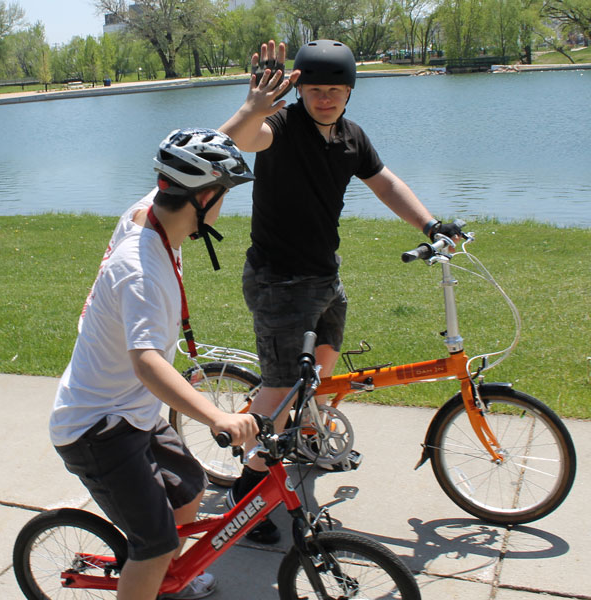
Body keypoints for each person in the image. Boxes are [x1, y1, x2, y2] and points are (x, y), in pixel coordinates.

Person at [219, 40, 462, 544]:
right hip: (279, 281)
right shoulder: (281, 128)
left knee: (322, 370)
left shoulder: (352, 137)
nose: (324, 98)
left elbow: (384, 182)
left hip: (324, 277)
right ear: (300, 91)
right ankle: (244, 495)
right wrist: (255, 104)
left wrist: (430, 224)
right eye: (314, 90)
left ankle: (304, 439)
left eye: (334, 90)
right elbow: (243, 140)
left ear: (349, 92)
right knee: (283, 388)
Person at [49, 128, 259, 600]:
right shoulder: (140, 269)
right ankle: (152, 571)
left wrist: (250, 114)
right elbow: (147, 364)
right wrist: (217, 415)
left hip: (130, 412)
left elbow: (192, 158)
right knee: (154, 542)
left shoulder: (156, 212)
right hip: (96, 429)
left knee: (188, 489)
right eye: (222, 195)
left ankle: (168, 579)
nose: (225, 205)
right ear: (204, 198)